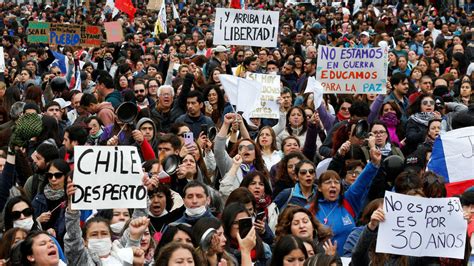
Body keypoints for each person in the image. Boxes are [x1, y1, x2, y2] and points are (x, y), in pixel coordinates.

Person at [309, 146, 381, 256]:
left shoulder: (348, 201)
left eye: (336, 182)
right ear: (319, 187)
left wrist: (373, 164)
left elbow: (360, 184)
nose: (333, 185)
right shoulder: (309, 210)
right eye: (328, 182)